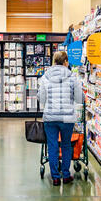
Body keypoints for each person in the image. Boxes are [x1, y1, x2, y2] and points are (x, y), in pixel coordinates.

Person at [37, 51, 84, 186]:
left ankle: (55, 177)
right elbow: (79, 98)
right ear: (65, 62)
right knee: (66, 145)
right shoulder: (72, 77)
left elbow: (42, 98)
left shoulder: (45, 77)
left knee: (52, 146)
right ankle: (66, 175)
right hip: (67, 118)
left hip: (50, 118)